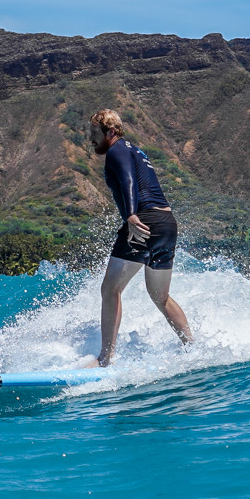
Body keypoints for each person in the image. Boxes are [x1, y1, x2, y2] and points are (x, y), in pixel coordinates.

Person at [83, 108, 193, 365]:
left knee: (111, 289)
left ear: (110, 132)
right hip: (166, 223)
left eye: (94, 133)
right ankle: (192, 346)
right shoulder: (135, 150)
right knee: (160, 296)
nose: (91, 139)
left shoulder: (117, 150)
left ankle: (105, 358)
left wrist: (131, 215)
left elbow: (128, 181)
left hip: (144, 222)